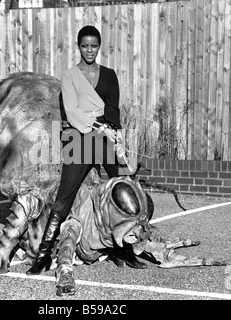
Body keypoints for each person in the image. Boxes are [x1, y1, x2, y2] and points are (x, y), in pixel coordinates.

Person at [26, 25, 146, 275]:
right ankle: (44, 254)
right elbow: (71, 110)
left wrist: (114, 134)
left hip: (107, 139)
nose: (89, 50)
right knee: (64, 197)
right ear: (78, 47)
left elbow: (113, 108)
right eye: (84, 46)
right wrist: (95, 123)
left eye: (93, 46)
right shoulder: (69, 75)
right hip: (79, 140)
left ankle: (125, 250)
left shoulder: (110, 75)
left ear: (98, 47)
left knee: (125, 188)